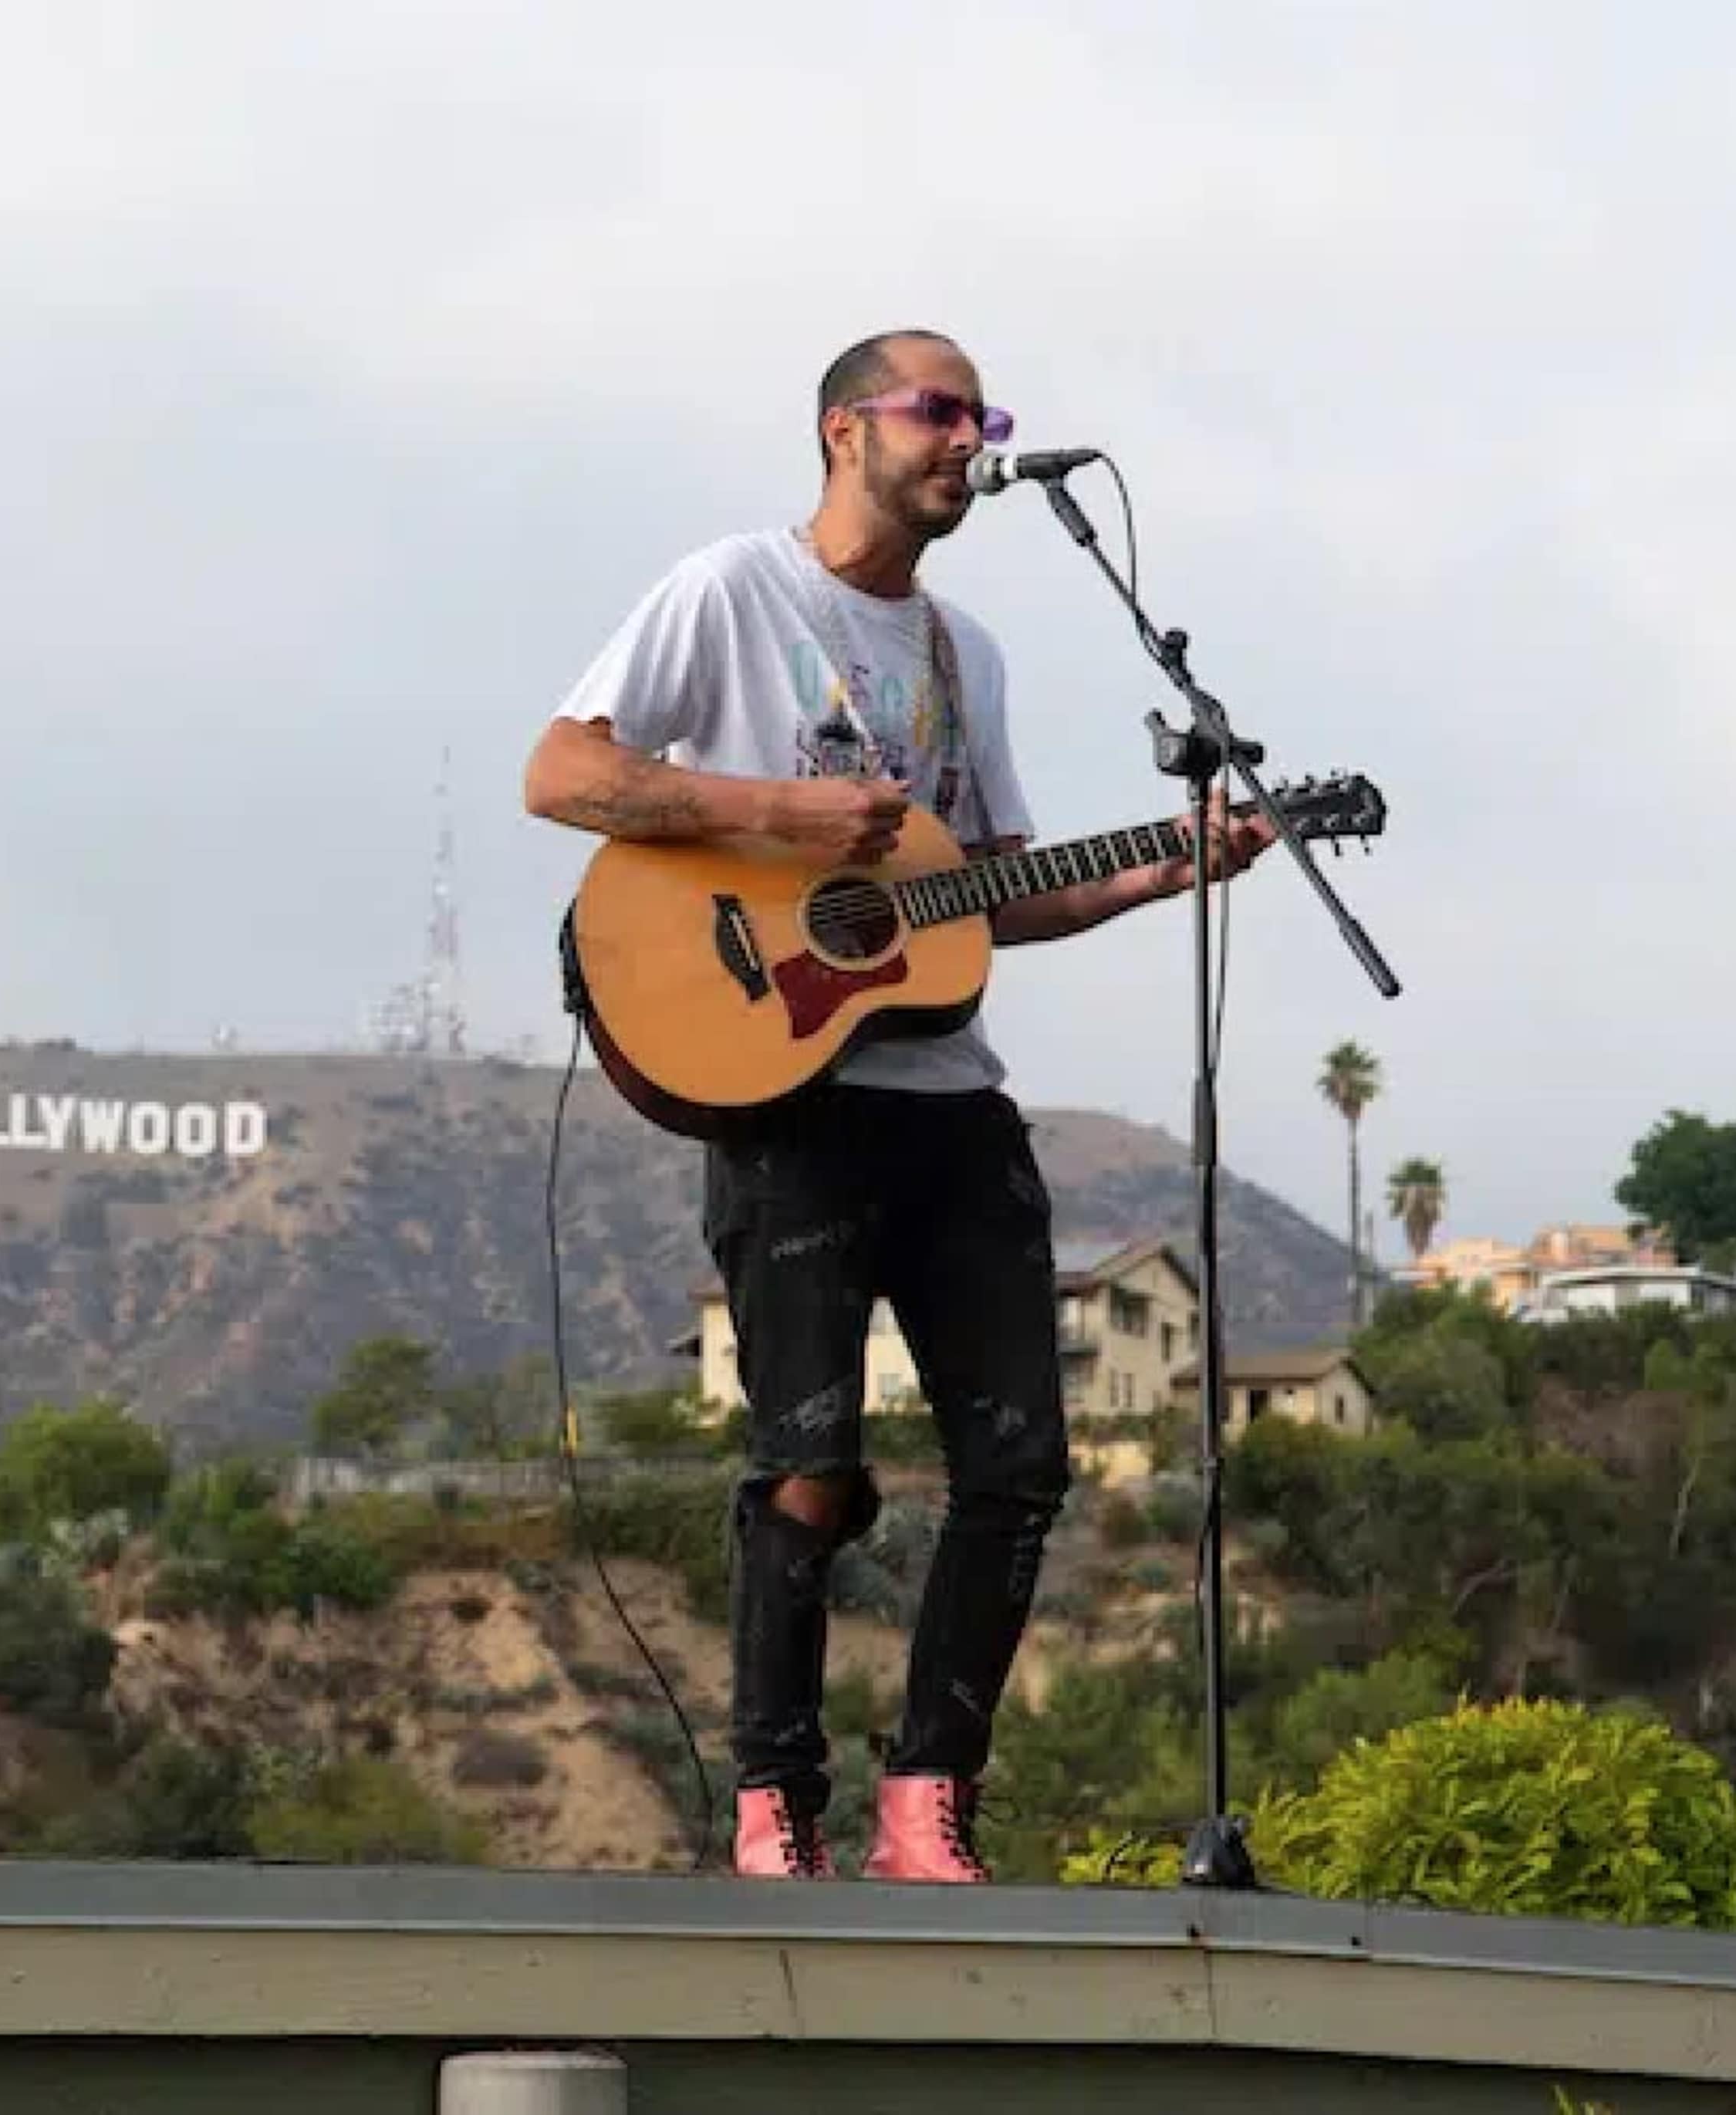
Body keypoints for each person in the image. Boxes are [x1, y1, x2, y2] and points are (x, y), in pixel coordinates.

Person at [522, 329, 1275, 1882]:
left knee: (1021, 1466)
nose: (966, 438)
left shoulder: (963, 656)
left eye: (979, 417)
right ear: (840, 429)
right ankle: (769, 1806)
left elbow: (983, 894)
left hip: (949, 1103)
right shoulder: (735, 592)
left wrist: (1166, 865)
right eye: (938, 411)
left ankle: (929, 1804)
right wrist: (773, 809)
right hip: (786, 1090)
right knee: (812, 1458)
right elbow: (561, 773)